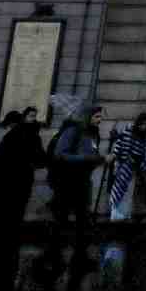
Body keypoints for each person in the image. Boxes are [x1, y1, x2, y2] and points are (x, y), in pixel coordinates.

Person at [0, 109, 48, 270]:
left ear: (12, 124)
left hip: (3, 186)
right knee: (15, 221)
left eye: (7, 126)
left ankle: (0, 261)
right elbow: (42, 160)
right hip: (23, 185)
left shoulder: (12, 136)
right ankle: (11, 260)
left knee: (0, 222)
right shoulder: (34, 136)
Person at [44, 105, 105, 263]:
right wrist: (86, 159)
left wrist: (100, 159)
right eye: (97, 116)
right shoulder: (73, 131)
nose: (100, 120)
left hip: (84, 182)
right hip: (67, 182)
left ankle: (80, 256)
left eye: (100, 117)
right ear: (88, 117)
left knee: (83, 221)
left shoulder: (93, 135)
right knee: (61, 220)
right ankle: (52, 255)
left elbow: (93, 155)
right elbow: (60, 154)